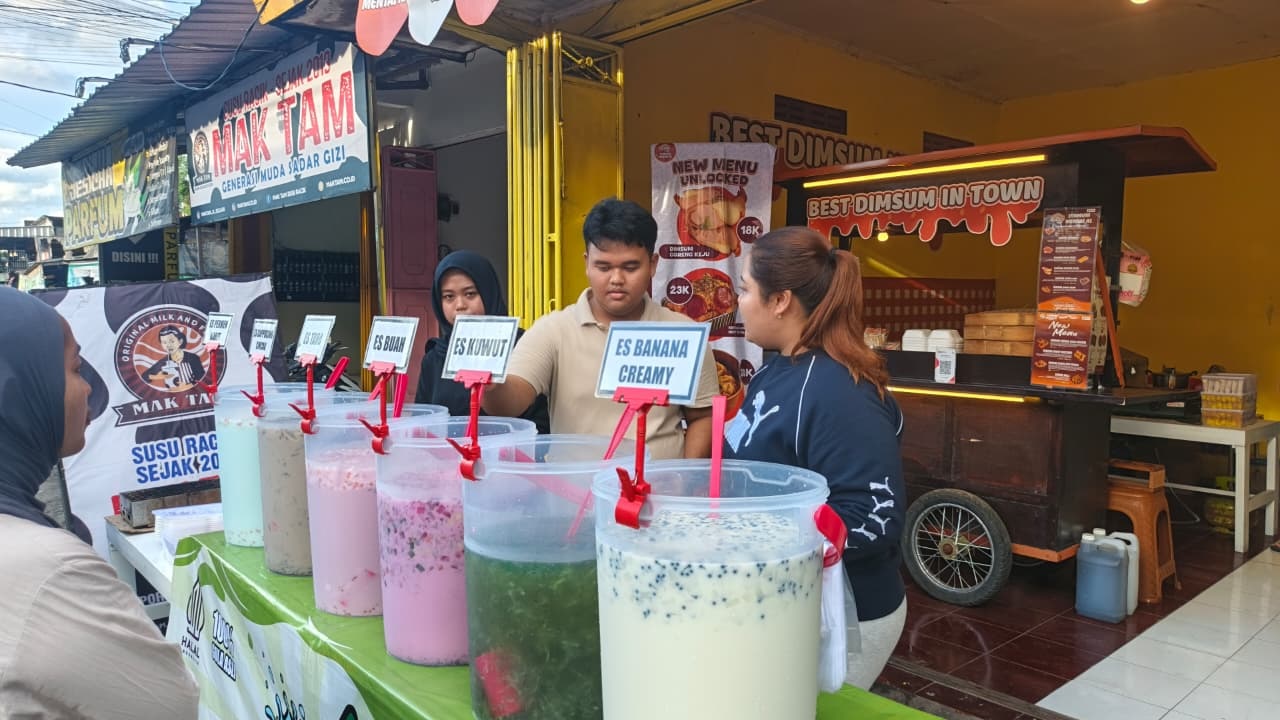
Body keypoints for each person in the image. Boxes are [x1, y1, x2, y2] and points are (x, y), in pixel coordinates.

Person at [0, 287, 200, 717]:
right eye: (74, 369)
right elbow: (171, 704)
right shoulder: (52, 571)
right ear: (19, 388)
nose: (89, 388)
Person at [724, 227, 907, 690]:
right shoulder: (776, 368)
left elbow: (873, 516)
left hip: (844, 615)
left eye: (745, 289)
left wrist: (765, 537)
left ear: (780, 299)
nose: (739, 302)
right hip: (780, 599)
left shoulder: (840, 393)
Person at [483, 198, 718, 460]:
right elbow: (510, 401)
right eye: (603, 267)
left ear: (652, 264)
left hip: (656, 495)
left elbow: (703, 417)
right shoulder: (554, 330)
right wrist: (491, 386)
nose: (616, 279)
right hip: (573, 497)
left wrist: (682, 478)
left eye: (631, 267)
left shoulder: (682, 334)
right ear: (586, 263)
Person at [415, 250, 550, 434]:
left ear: (488, 292)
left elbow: (541, 426)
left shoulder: (524, 348)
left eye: (470, 294)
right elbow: (423, 425)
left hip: (510, 460)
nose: (460, 305)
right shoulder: (435, 357)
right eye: (449, 297)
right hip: (448, 461)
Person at [146, 325, 206, 391]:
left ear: (180, 341)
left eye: (172, 341)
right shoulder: (164, 362)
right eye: (164, 342)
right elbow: (144, 376)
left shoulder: (192, 358)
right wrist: (156, 377)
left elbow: (203, 379)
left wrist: (189, 386)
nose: (168, 345)